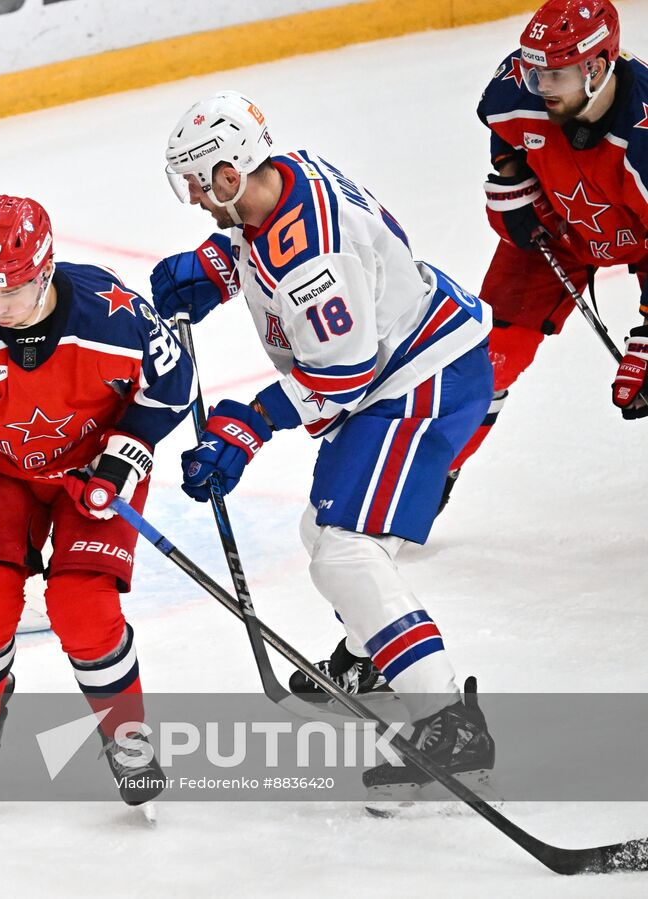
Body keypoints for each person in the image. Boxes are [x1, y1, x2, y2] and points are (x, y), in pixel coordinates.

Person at [152, 90, 495, 803]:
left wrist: (247, 425)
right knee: (325, 530)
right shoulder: (281, 177)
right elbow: (263, 236)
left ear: (227, 171)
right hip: (409, 360)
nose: (193, 198)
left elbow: (343, 373)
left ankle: (447, 718)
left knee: (344, 545)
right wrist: (219, 263)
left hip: (420, 377)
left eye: (197, 181)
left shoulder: (314, 255)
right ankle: (372, 657)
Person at [0, 195, 194, 817]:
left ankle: (125, 735)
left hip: (94, 471)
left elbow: (173, 386)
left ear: (46, 272)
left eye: (12, 294)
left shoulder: (115, 314)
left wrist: (126, 453)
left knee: (84, 609)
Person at [447, 0, 648, 506]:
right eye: (535, 72)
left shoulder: (643, 138)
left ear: (598, 67)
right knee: (483, 362)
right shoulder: (517, 89)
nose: (540, 88)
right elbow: (505, 131)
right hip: (557, 228)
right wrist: (513, 180)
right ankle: (430, 477)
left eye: (554, 75)